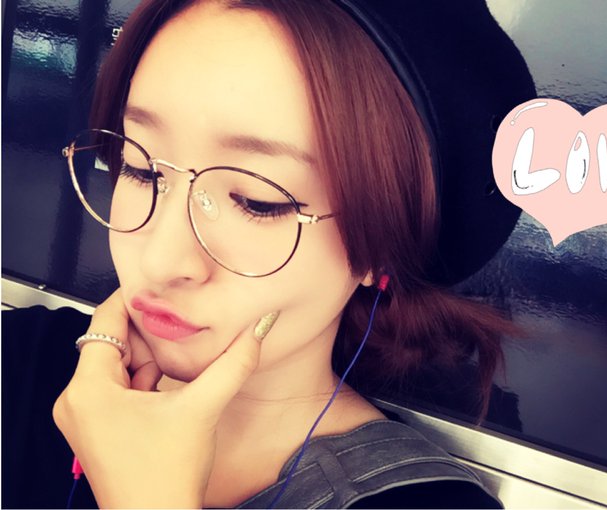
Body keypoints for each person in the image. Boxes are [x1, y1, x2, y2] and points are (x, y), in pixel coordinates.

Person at [4, 0, 531, 507]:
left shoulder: (429, 504)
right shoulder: (19, 368)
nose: (161, 261)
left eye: (257, 200)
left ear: (383, 246)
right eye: (142, 169)